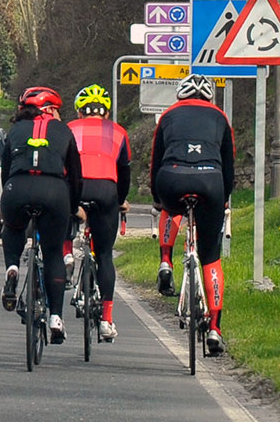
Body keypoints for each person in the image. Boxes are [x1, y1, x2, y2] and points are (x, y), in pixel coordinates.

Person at [149, 75, 235, 354]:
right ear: (209, 97)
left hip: (171, 177)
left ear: (181, 96)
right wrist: (223, 200)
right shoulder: (221, 117)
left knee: (170, 208)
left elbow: (156, 158)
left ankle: (166, 261)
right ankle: (215, 328)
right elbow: (229, 165)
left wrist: (157, 197)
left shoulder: (168, 115)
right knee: (211, 257)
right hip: (211, 182)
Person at [0, 86, 83, 344]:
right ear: (50, 110)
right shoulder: (64, 131)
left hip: (17, 188)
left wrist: (10, 198)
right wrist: (73, 207)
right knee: (54, 251)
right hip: (54, 191)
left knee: (12, 228)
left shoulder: (15, 131)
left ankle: (12, 267)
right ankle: (56, 316)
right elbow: (76, 176)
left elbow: (5, 171)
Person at [67, 82, 130, 342]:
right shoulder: (119, 132)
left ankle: (67, 255)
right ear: (106, 113)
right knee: (104, 254)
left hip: (77, 188)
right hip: (106, 190)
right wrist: (121, 200)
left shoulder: (69, 129)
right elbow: (124, 172)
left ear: (80, 112)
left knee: (65, 223)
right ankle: (106, 319)